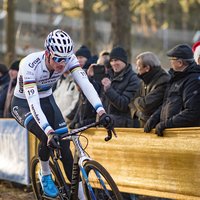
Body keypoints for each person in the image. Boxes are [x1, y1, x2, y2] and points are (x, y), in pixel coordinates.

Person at [11, 29, 114, 198]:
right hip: (24, 104)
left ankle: (81, 196)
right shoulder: (29, 65)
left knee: (65, 147)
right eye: (58, 59)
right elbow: (33, 103)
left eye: (65, 59)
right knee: (45, 136)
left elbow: (85, 84)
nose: (62, 63)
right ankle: (44, 174)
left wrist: (101, 111)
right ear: (47, 54)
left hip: (46, 98)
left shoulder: (68, 59)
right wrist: (48, 130)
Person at [144, 44, 200, 137]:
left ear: (180, 63)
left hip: (184, 136)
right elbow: (167, 102)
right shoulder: (176, 77)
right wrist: (155, 117)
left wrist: (167, 124)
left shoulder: (193, 80)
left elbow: (191, 111)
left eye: (172, 59)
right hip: (171, 134)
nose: (170, 62)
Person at [87, 45, 141, 128]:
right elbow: (92, 95)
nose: (113, 63)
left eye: (116, 60)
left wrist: (108, 90)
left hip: (121, 129)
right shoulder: (107, 75)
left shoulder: (134, 79)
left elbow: (125, 105)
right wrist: (89, 78)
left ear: (124, 61)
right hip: (102, 125)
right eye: (111, 61)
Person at [128, 52, 170, 127]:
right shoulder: (145, 79)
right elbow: (131, 101)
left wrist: (137, 102)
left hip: (156, 128)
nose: (136, 68)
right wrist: (140, 114)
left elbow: (146, 106)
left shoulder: (163, 81)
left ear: (147, 68)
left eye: (138, 65)